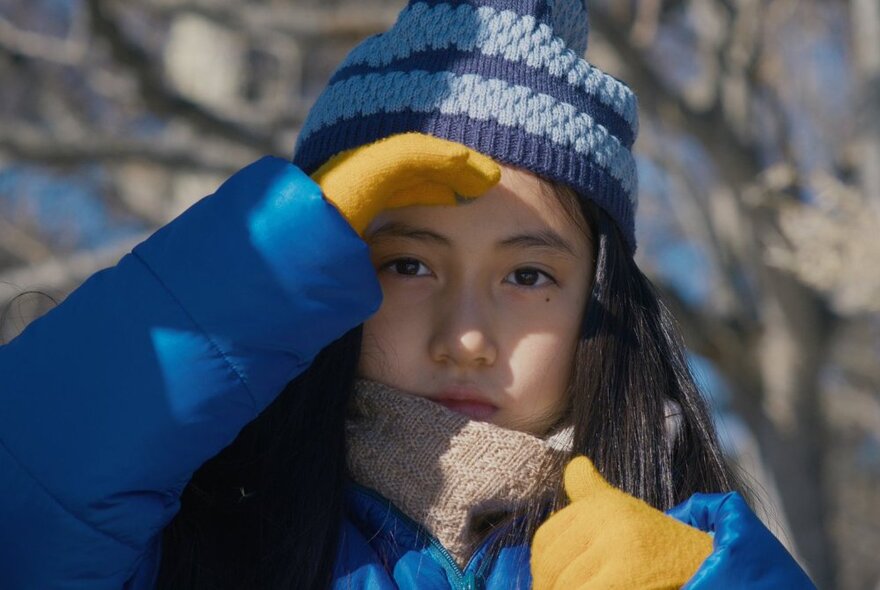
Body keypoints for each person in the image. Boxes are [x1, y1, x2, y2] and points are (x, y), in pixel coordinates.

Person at [0, 1, 816, 588]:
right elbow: (31, 494)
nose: (465, 337)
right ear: (324, 280)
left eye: (528, 276)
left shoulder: (670, 559)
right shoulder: (193, 539)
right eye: (407, 266)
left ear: (599, 306)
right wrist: (274, 249)